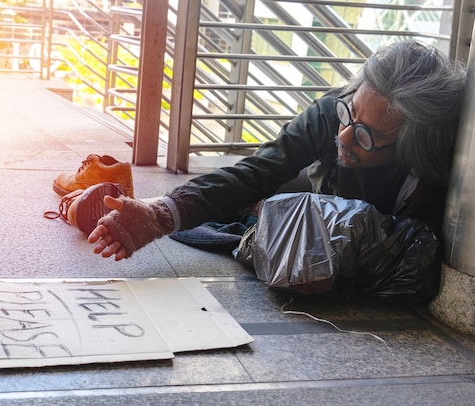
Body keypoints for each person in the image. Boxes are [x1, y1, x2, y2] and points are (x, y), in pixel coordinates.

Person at [88, 40, 466, 265]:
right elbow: (258, 170)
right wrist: (160, 216)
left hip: (352, 212)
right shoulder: (332, 112)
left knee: (282, 218)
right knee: (260, 194)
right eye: (348, 114)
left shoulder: (431, 178)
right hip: (319, 193)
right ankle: (125, 202)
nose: (345, 137)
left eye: (366, 136)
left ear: (409, 149)